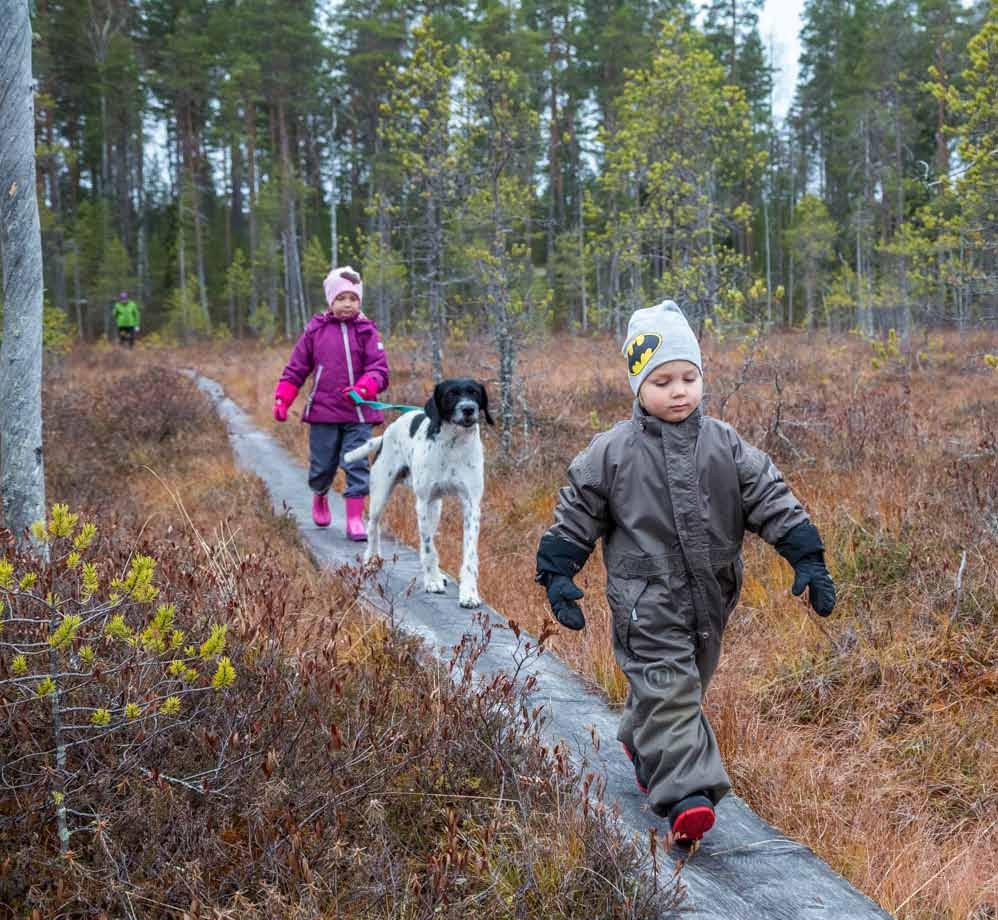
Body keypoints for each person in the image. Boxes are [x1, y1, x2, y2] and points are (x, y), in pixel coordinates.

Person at [534, 300, 836, 843]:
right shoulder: (612, 453)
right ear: (637, 387)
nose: (678, 391)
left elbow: (770, 495)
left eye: (688, 378)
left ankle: (637, 734)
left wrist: (805, 554)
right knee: (670, 687)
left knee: (683, 686)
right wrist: (558, 571)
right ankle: (686, 797)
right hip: (643, 601)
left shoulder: (725, 444)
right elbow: (576, 510)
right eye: (662, 380)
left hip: (712, 597)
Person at [272, 266, 389, 540]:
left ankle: (354, 519)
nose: (347, 304)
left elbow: (380, 371)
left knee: (357, 464)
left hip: (359, 413)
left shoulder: (367, 331)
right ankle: (320, 494)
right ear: (330, 301)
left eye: (353, 298)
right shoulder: (315, 331)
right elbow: (296, 368)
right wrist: (283, 398)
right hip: (324, 413)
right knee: (322, 466)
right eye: (341, 298)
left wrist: (364, 387)